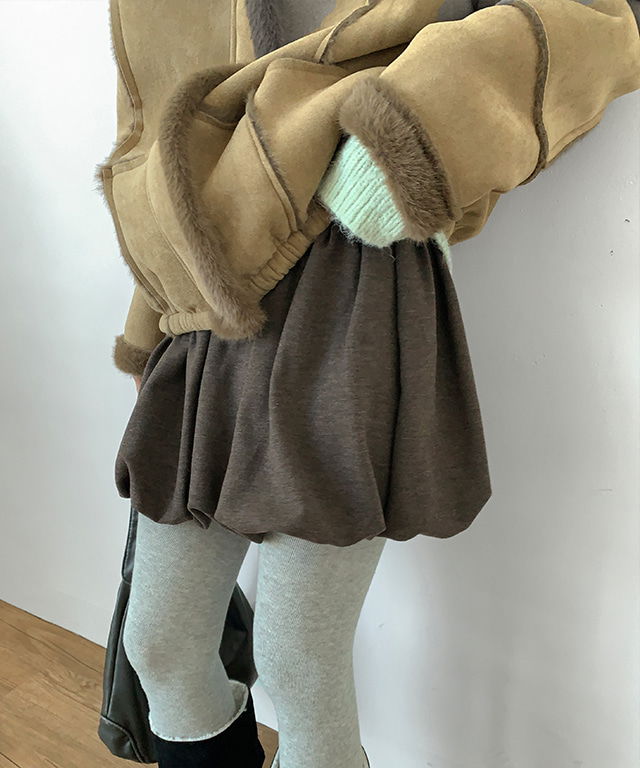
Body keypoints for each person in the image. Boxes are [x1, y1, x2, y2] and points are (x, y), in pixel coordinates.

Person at [96, 1, 640, 766]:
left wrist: (403, 144)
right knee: (159, 643)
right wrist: (152, 322)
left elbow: (600, 17)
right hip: (206, 297)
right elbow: (159, 140)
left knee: (298, 661)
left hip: (347, 292)